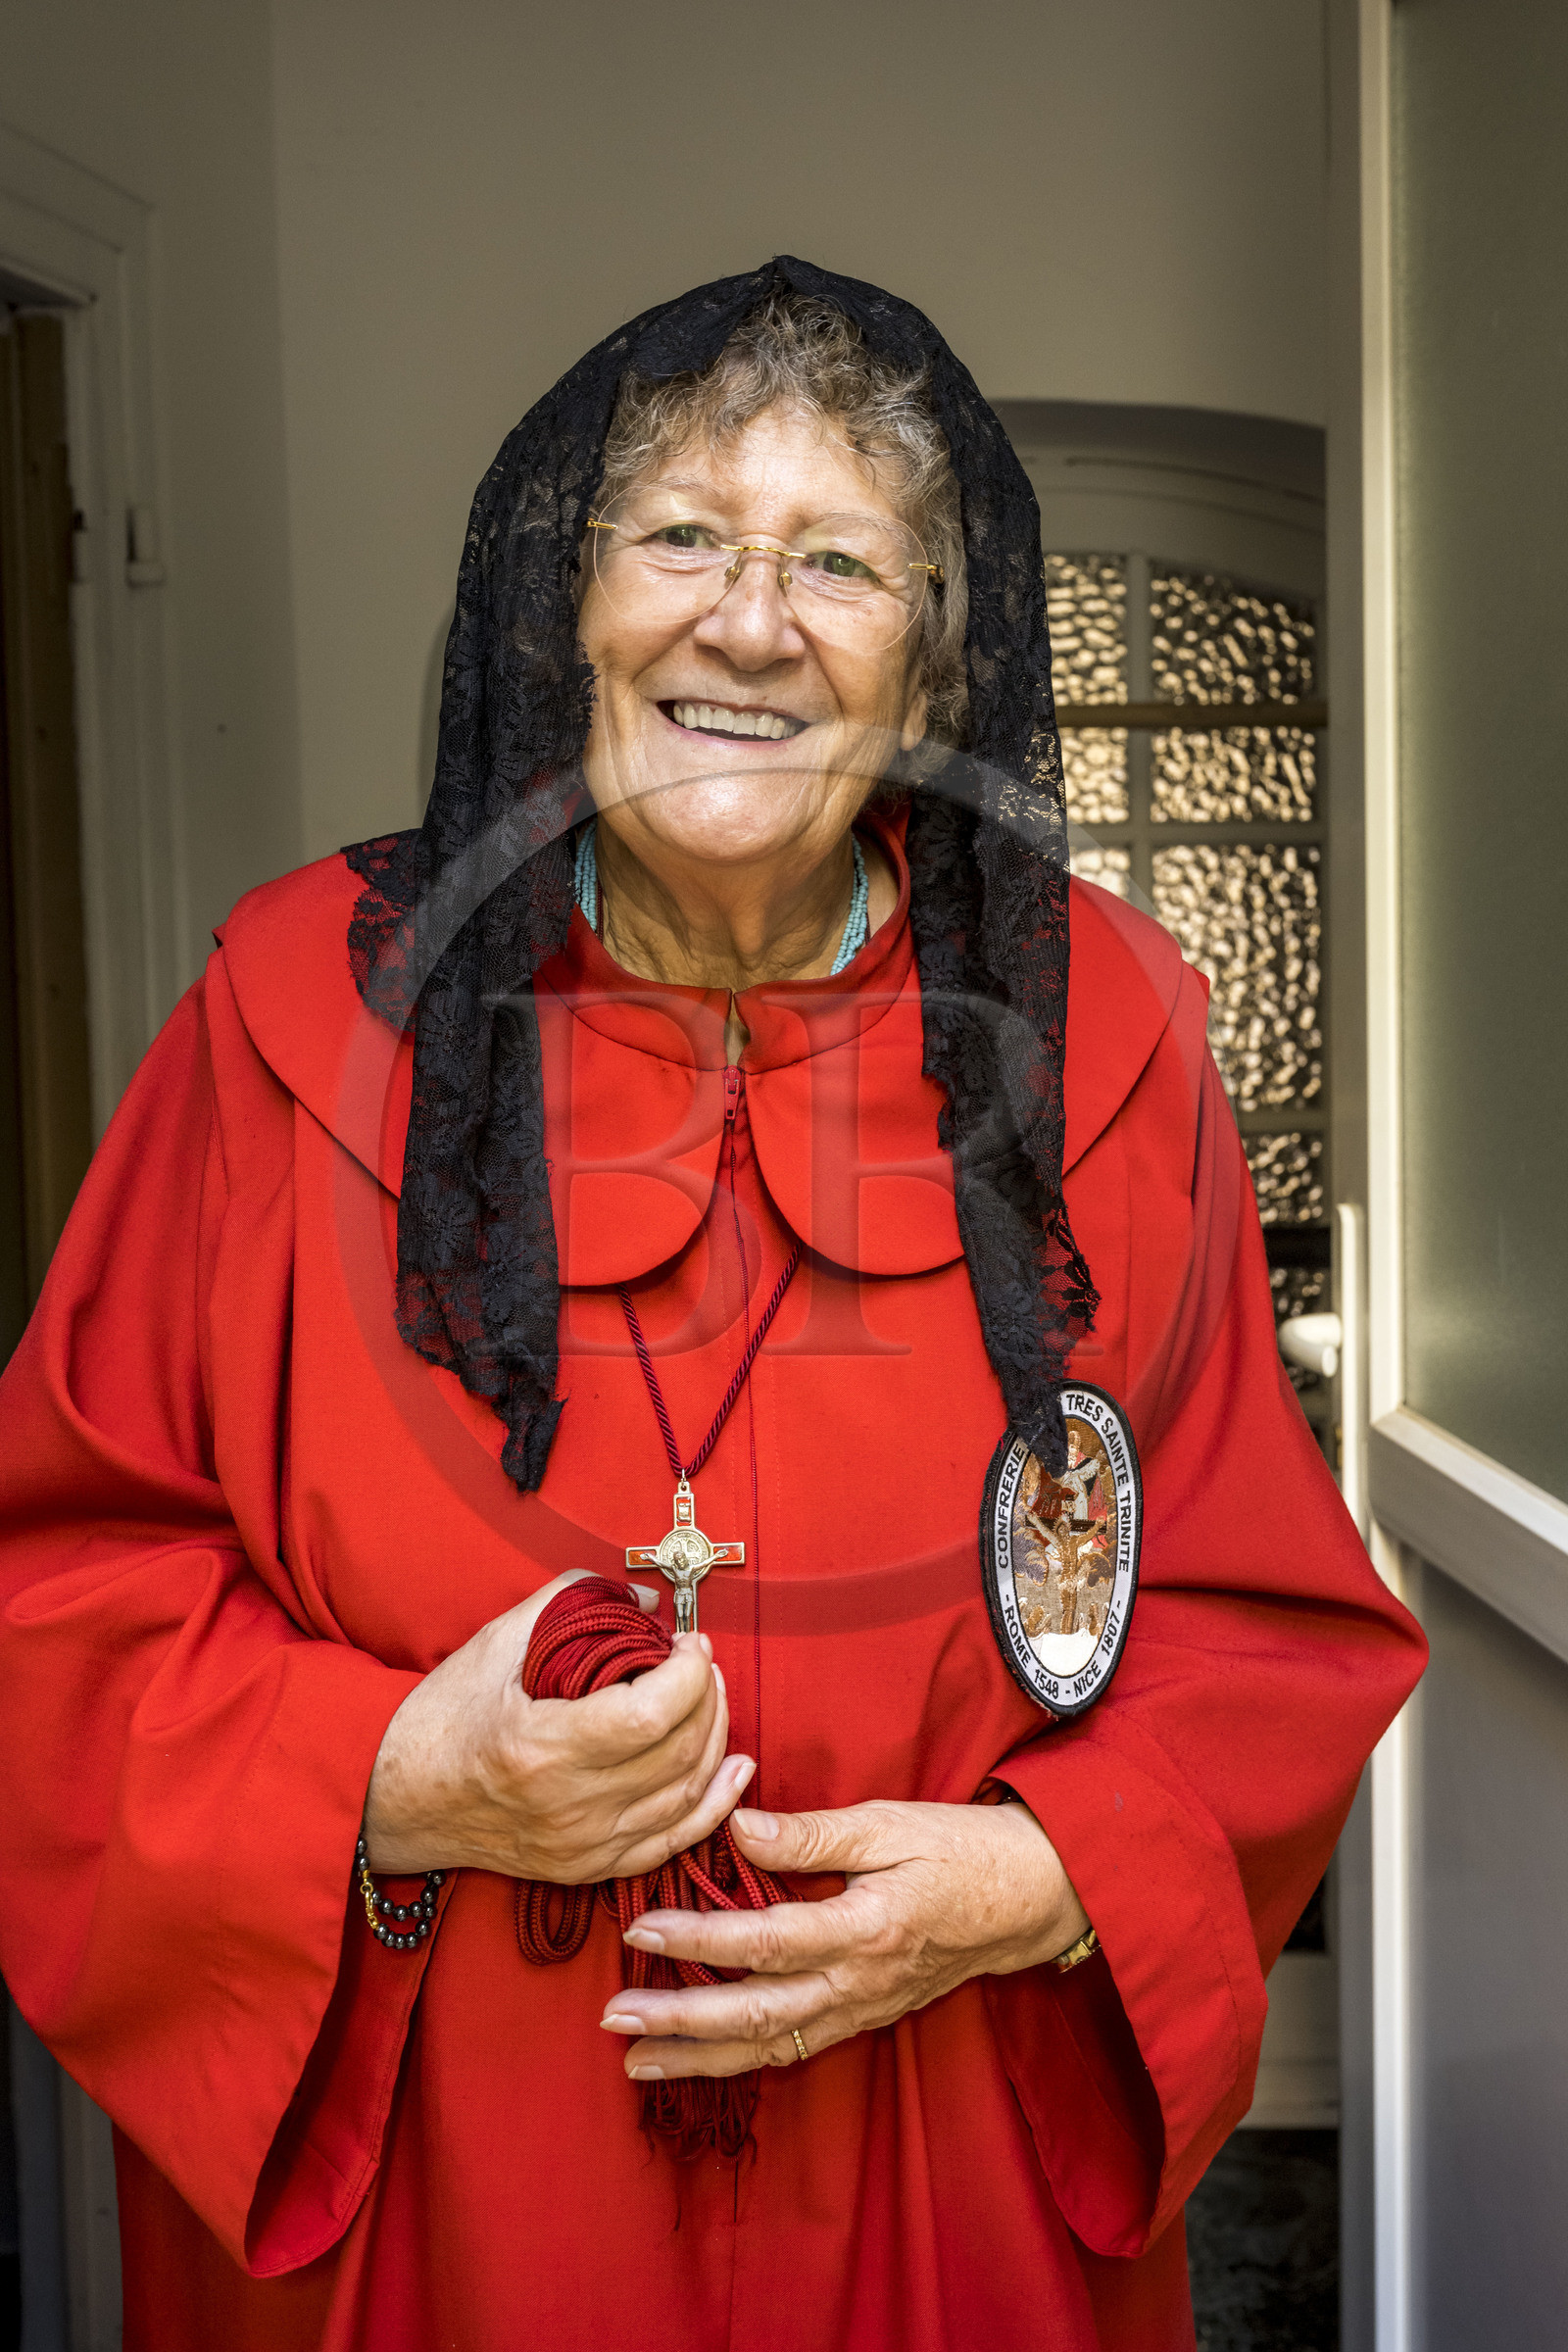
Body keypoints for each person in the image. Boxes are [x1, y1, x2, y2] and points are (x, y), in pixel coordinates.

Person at [0, 259, 1424, 2352]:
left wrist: (1045, 1885)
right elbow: (64, 1600)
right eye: (678, 535)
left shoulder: (1106, 1030)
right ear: (558, 606)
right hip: (452, 2172)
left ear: (929, 677)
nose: (745, 621)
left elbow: (1252, 1619)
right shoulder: (295, 1014)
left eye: (837, 561)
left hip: (941, 2140)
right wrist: (389, 1775)